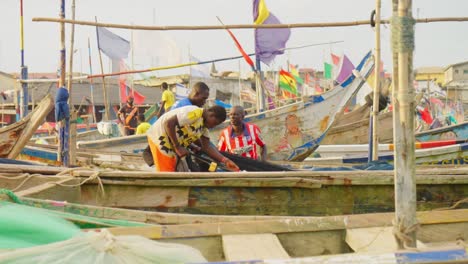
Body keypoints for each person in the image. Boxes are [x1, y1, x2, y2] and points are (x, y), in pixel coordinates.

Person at [147, 105, 239, 172]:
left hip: (172, 146)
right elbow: (169, 123)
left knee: (181, 172)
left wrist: (226, 161)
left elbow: (207, 147)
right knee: (167, 175)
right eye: (215, 123)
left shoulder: (203, 128)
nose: (213, 127)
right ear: (211, 114)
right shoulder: (195, 113)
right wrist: (178, 147)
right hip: (160, 139)